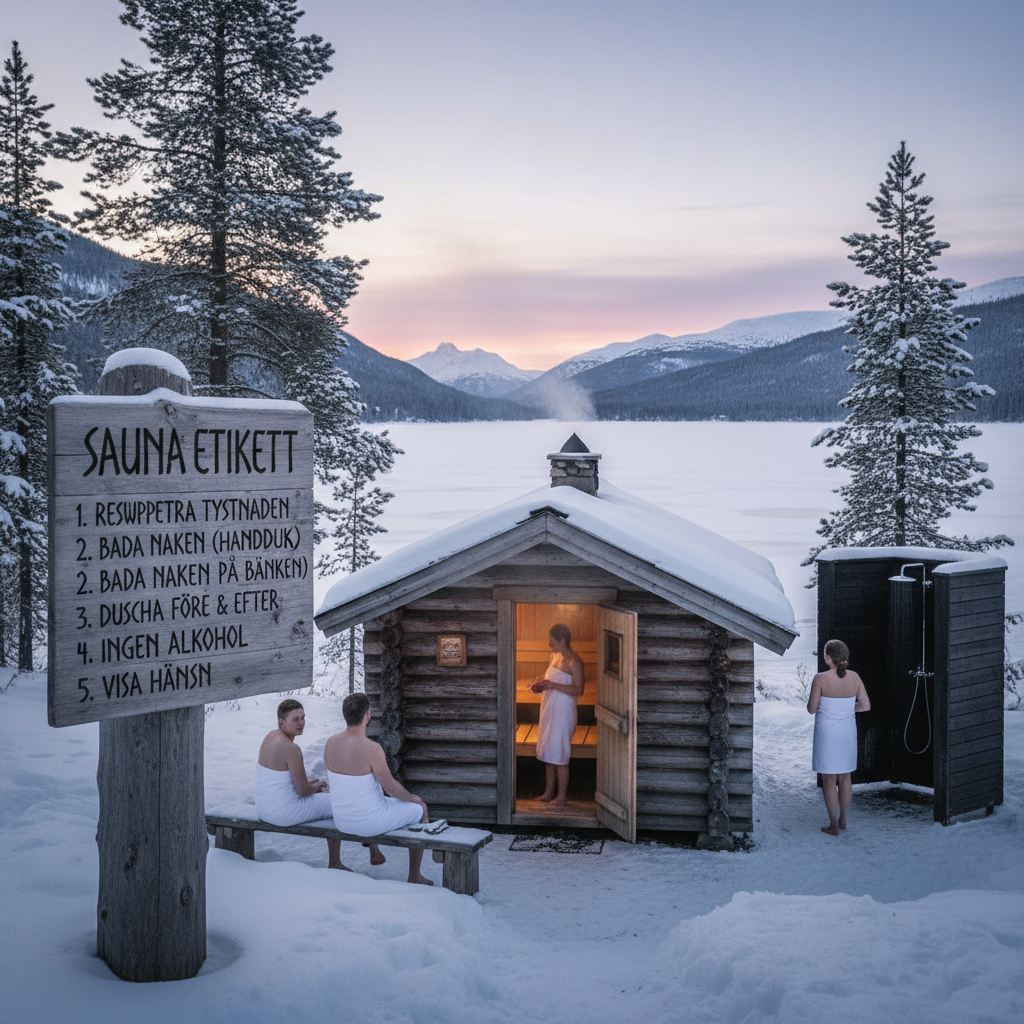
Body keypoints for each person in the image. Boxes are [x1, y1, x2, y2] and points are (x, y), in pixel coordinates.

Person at [256, 699, 384, 871]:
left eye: (303, 717)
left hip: (265, 808)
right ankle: (338, 861)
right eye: (295, 720)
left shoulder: (270, 737)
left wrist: (310, 786)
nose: (301, 723)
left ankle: (371, 849)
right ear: (281, 722)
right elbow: (303, 791)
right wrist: (315, 787)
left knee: (325, 799)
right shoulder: (290, 748)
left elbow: (277, 780)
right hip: (283, 813)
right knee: (335, 804)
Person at [324, 692, 433, 886]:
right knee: (418, 809)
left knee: (370, 798)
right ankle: (415, 875)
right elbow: (391, 788)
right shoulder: (372, 748)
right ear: (367, 715)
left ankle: (372, 852)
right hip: (368, 822)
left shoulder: (331, 743)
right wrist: (413, 798)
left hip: (342, 820)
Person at [807, 639, 871, 836]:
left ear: (827, 658)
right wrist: (846, 709)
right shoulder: (855, 678)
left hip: (827, 735)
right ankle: (843, 819)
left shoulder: (820, 678)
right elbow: (865, 706)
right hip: (847, 734)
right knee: (845, 777)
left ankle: (833, 825)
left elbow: (811, 709)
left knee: (829, 779)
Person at [533, 622, 585, 808]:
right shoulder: (554, 656)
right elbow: (552, 679)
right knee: (548, 750)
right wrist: (542, 683)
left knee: (560, 752)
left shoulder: (574, 661)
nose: (550, 644)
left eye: (552, 641)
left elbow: (579, 690)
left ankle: (561, 797)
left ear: (562, 640)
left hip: (564, 710)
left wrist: (553, 685)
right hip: (549, 706)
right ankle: (548, 793)